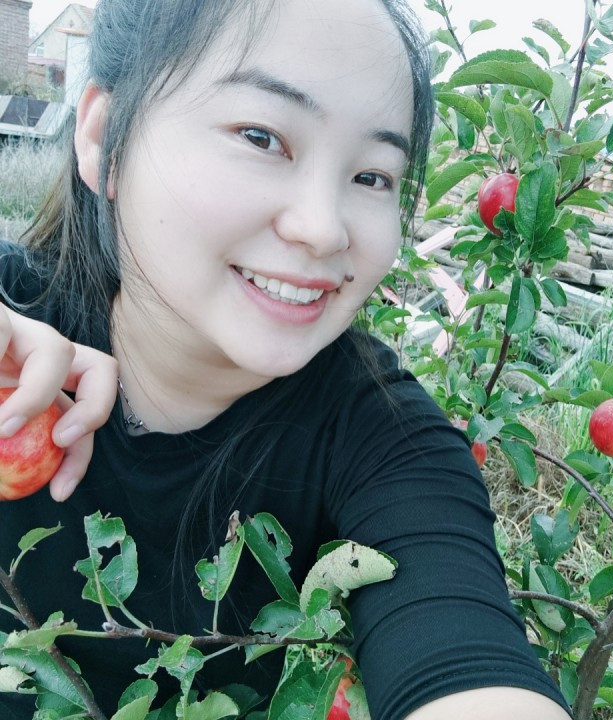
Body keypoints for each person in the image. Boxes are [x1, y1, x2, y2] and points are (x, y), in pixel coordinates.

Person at [0, 0, 572, 718]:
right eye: (262, 137)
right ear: (102, 137)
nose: (324, 229)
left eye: (373, 176)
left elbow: (462, 652)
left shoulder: (387, 442)